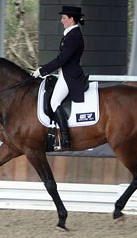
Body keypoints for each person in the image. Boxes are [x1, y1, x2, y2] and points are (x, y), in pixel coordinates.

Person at [32, 6, 86, 148]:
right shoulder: (70, 34)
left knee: (54, 101)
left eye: (64, 18)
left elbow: (62, 60)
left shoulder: (74, 36)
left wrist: (42, 70)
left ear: (71, 19)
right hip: (64, 73)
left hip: (70, 76)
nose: (61, 20)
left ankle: (65, 138)